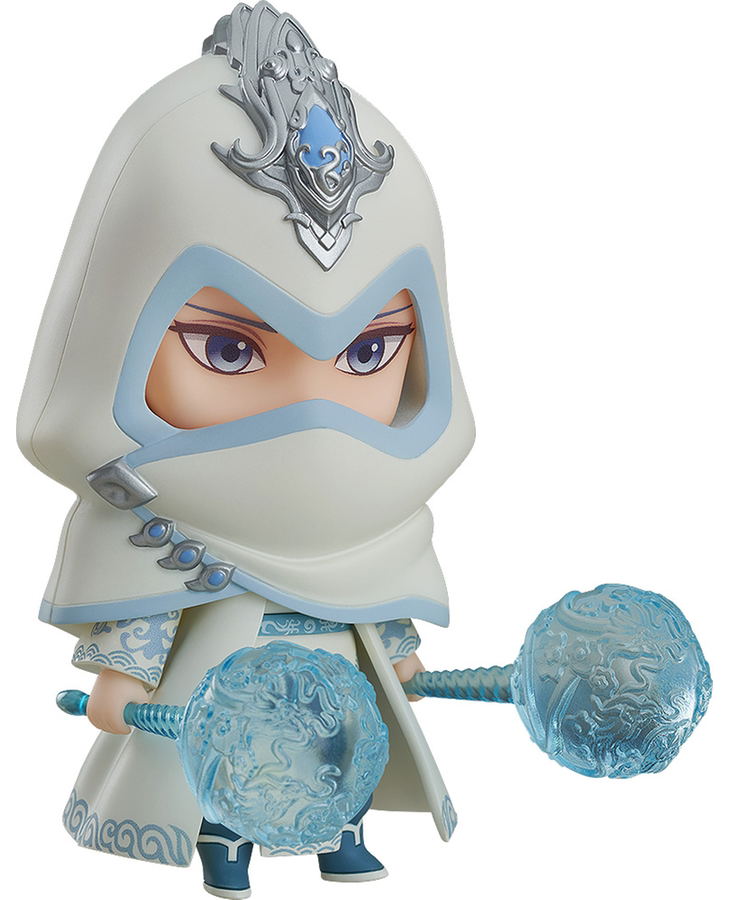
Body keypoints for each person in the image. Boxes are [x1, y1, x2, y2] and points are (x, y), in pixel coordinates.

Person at [18, 3, 475, 897]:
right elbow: (146, 618)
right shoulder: (157, 527)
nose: (312, 406)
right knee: (228, 772)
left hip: (333, 694)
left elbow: (378, 604)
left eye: (368, 352)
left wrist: (400, 659)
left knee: (341, 756)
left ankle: (343, 836)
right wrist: (122, 675)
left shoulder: (379, 527)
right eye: (229, 350)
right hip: (223, 692)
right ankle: (224, 850)